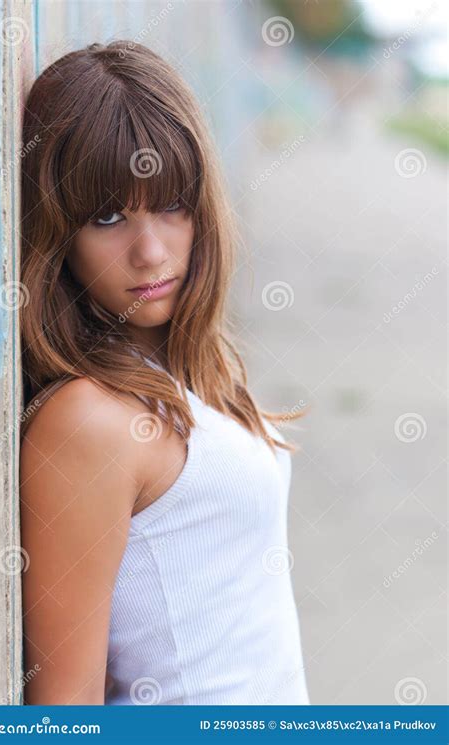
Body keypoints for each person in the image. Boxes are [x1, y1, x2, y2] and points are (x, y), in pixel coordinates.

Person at [20, 40, 310, 706]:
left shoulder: (190, 369)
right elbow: (65, 714)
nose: (150, 252)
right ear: (57, 235)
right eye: (108, 216)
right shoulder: (87, 421)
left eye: (172, 203)